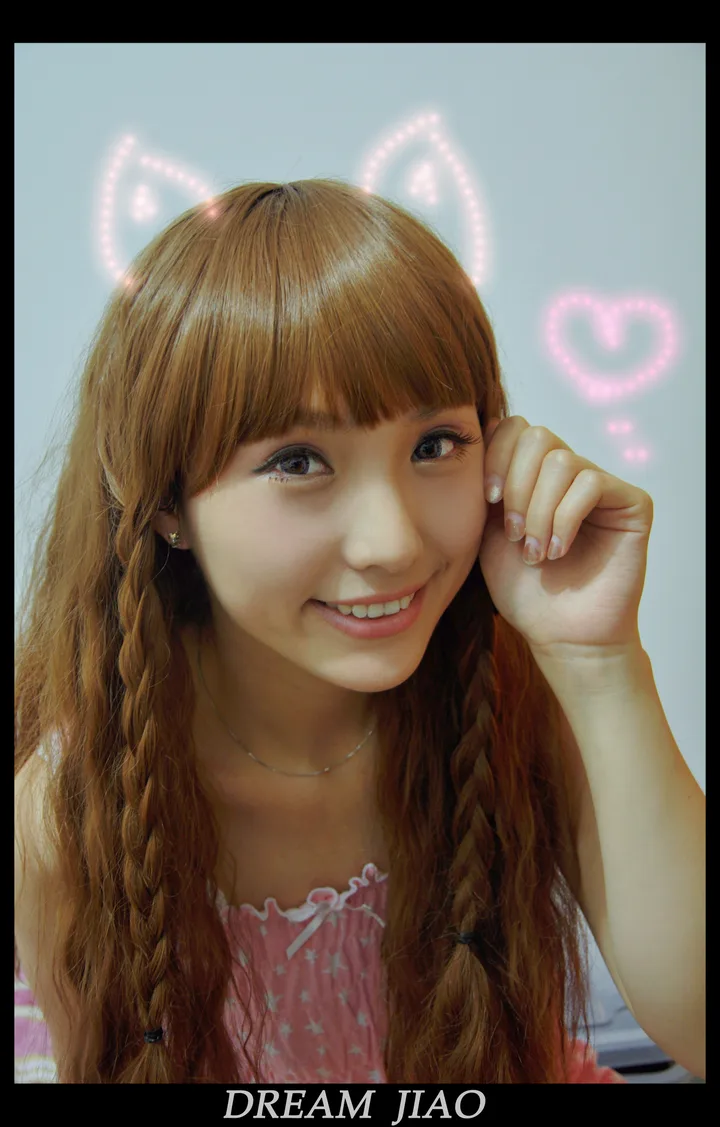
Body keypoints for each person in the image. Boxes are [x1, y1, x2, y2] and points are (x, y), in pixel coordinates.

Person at [14, 179, 705, 1085]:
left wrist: (602, 660)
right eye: (297, 460)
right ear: (166, 500)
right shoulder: (75, 809)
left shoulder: (513, 696)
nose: (393, 543)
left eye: (435, 445)